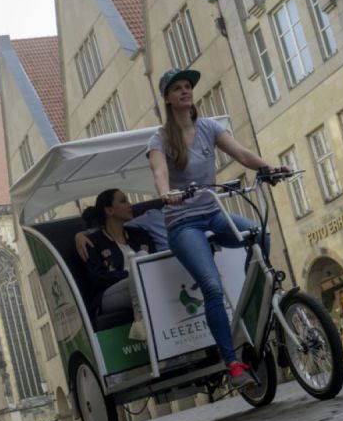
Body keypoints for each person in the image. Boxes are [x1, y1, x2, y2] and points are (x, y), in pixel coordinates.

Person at [147, 67, 287, 389]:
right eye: (177, 88)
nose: (185, 91)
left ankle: (254, 310)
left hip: (213, 212)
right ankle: (232, 362)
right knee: (211, 286)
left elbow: (241, 153)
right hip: (183, 223)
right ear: (168, 98)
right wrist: (166, 194)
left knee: (259, 235)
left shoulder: (208, 127)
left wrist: (270, 169)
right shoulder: (160, 139)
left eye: (188, 87)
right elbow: (159, 173)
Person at [80, 189, 156, 325]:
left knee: (142, 272)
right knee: (140, 265)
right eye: (123, 201)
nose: (129, 204)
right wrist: (131, 273)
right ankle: (142, 320)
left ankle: (141, 320)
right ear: (109, 210)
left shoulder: (140, 235)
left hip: (142, 284)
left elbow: (155, 262)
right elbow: (97, 278)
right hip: (108, 294)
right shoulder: (93, 242)